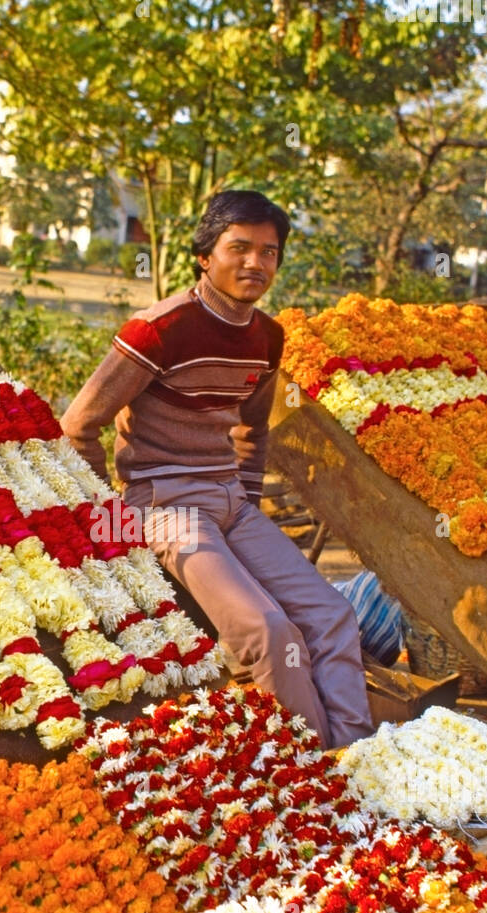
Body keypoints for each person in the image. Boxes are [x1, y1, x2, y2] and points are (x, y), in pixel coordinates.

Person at [59, 190, 373, 750]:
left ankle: (357, 757)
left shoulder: (267, 337)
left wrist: (246, 500)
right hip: (165, 504)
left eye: (269, 252)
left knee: (332, 615)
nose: (255, 263)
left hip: (230, 500)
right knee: (266, 629)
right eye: (240, 248)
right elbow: (80, 423)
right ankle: (312, 771)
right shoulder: (159, 329)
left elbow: (254, 428)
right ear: (206, 255)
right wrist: (106, 516)